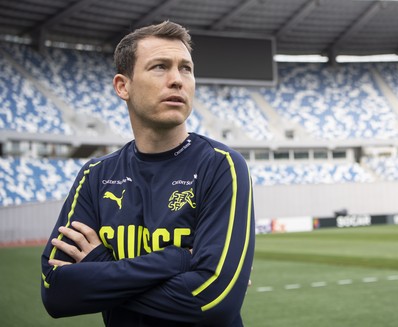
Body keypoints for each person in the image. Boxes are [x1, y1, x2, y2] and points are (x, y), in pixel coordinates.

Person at [40, 21, 255, 327]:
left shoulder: (221, 165)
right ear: (122, 86)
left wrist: (100, 270)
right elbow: (56, 291)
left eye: (186, 69)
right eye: (160, 67)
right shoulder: (96, 175)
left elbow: (213, 301)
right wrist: (179, 259)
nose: (177, 80)